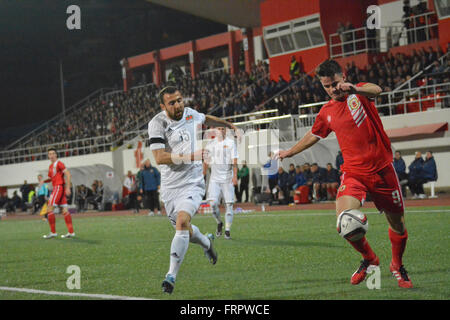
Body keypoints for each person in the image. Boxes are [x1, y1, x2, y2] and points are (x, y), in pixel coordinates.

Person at [276, 59, 412, 288]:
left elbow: (377, 90)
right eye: (327, 86)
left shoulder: (359, 94)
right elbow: (314, 135)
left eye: (335, 84)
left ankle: (397, 265)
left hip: (382, 172)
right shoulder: (327, 111)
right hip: (353, 173)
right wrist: (290, 152)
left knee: (398, 225)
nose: (332, 90)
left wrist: (354, 88)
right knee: (344, 222)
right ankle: (370, 259)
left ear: (344, 77)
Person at [148, 85, 237, 294]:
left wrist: (229, 124)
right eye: (172, 102)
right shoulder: (157, 124)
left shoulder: (191, 114)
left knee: (182, 221)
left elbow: (207, 119)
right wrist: (191, 156)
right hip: (170, 187)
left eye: (180, 100)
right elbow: (160, 158)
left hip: (193, 182)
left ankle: (170, 276)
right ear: (163, 106)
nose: (178, 105)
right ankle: (206, 243)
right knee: (185, 228)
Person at [203, 126, 238, 239]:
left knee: (229, 205)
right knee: (212, 204)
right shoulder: (210, 144)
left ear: (226, 131)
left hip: (228, 179)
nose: (221, 130)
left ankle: (227, 230)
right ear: (215, 131)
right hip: (214, 180)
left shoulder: (231, 143)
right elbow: (206, 161)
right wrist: (203, 174)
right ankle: (219, 222)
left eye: (223, 128)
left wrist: (235, 176)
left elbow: (235, 160)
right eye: (219, 128)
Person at [42, 147, 75, 239]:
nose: (51, 155)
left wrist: (68, 187)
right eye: (50, 154)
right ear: (48, 156)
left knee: (49, 208)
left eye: (53, 153)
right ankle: (71, 232)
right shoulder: (50, 166)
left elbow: (68, 174)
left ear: (56, 155)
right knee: (64, 210)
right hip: (58, 188)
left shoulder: (59, 164)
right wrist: (43, 181)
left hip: (58, 188)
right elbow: (51, 178)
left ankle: (53, 232)